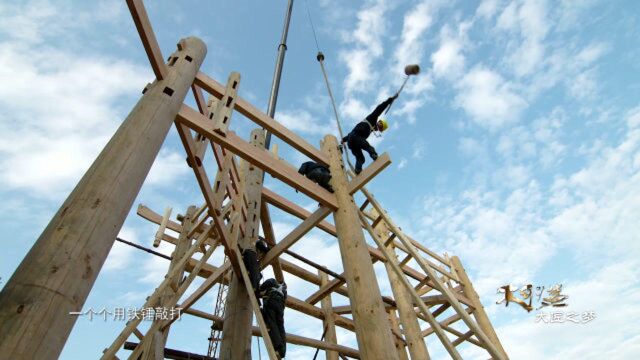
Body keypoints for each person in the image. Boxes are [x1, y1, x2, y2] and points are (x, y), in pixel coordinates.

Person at [341, 95, 395, 174]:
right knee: (367, 146)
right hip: (356, 137)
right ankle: (373, 154)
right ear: (379, 123)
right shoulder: (372, 119)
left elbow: (350, 135)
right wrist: (389, 100)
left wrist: (343, 139)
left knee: (361, 159)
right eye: (380, 127)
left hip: (352, 141)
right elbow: (379, 109)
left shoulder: (370, 129)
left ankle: (358, 170)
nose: (378, 129)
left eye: (380, 130)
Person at [259, 278, 287, 358]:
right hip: (280, 307)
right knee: (281, 328)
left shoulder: (273, 281)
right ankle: (282, 350)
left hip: (272, 301)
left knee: (272, 324)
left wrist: (259, 289)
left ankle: (278, 346)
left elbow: (265, 284)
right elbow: (284, 300)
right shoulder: (284, 290)